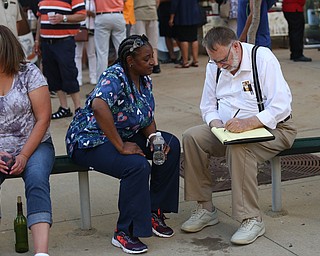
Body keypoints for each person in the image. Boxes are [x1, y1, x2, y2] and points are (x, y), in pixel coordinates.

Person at [180, 26, 297, 245]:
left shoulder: (262, 59)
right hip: (230, 130)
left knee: (240, 148)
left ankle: (251, 218)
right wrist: (217, 125)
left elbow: (281, 106)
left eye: (223, 60)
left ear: (235, 46)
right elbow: (207, 106)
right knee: (191, 137)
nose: (220, 66)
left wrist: (248, 123)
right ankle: (205, 208)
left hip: (275, 129)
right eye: (216, 62)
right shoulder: (215, 65)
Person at [65, 34, 180, 254]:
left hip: (121, 133)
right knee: (136, 166)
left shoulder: (145, 79)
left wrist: (155, 138)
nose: (152, 62)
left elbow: (145, 115)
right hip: (89, 139)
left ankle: (153, 211)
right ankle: (124, 232)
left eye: (152, 56)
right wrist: (121, 146)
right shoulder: (114, 76)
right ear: (130, 61)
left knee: (170, 145)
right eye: (147, 59)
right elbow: (99, 107)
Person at [0, 25, 55, 256]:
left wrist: (23, 155)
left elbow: (43, 119)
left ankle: (41, 252)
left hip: (35, 144)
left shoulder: (29, 73)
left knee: (36, 178)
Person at [34, 0, 86, 119]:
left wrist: (63, 18)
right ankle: (64, 108)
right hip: (46, 43)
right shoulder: (42, 1)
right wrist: (37, 40)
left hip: (64, 42)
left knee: (69, 73)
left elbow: (82, 15)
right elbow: (40, 19)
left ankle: (78, 108)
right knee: (53, 75)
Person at [94, 0, 126, 80]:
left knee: (102, 52)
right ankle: (125, 77)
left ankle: (102, 79)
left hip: (102, 15)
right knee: (122, 50)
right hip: (118, 14)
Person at [169, 0, 202, 68]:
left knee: (184, 39)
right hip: (194, 15)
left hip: (182, 15)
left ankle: (185, 61)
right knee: (194, 38)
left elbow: (174, 3)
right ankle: (195, 60)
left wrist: (171, 17)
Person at [133, 0, 161, 73]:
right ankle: (155, 63)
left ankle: (142, 63)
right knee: (153, 41)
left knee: (141, 41)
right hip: (152, 12)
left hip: (139, 12)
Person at [75, 0, 97, 86]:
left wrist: (90, 13)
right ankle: (78, 78)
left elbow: (98, 14)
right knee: (77, 54)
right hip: (79, 28)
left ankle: (93, 77)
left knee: (92, 53)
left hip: (91, 28)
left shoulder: (92, 1)